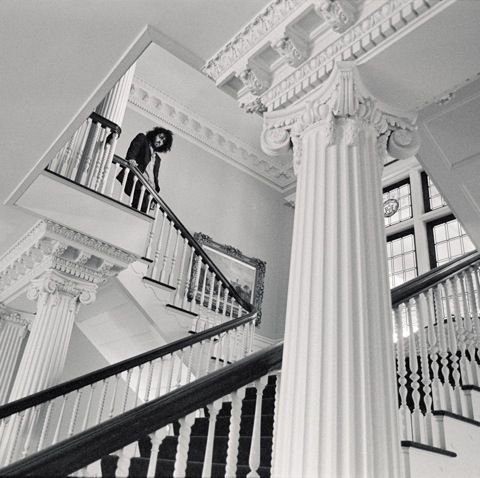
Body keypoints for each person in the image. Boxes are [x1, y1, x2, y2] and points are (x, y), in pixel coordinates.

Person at [117, 126, 173, 212]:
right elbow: (133, 151)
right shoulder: (142, 139)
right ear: (155, 134)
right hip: (137, 182)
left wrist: (155, 196)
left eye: (163, 141)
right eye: (160, 137)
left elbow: (154, 178)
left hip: (149, 190)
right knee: (141, 206)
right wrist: (131, 159)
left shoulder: (158, 159)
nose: (160, 141)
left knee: (143, 209)